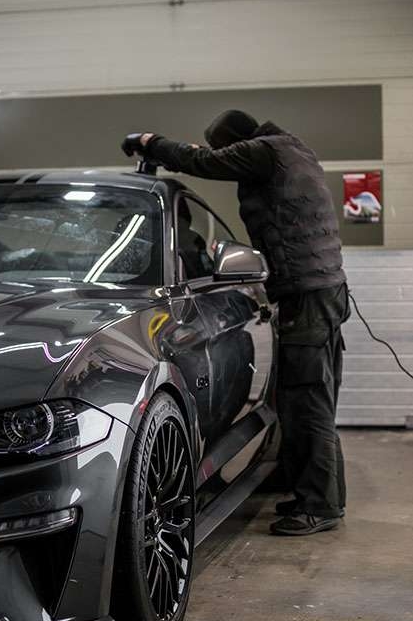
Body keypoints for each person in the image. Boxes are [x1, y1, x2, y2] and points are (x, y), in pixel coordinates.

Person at [122, 110, 349, 536]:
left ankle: (319, 505)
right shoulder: (294, 150)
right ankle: (313, 491)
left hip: (307, 295)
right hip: (319, 291)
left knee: (307, 400)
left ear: (237, 143)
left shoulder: (266, 152)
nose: (225, 158)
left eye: (226, 150)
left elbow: (203, 162)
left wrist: (153, 143)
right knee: (309, 396)